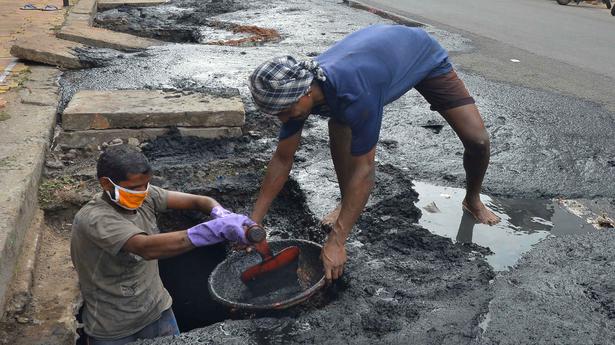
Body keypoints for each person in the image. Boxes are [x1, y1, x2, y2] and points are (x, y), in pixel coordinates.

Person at [247, 24, 501, 281]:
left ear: (306, 90)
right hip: (374, 62)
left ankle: (472, 199)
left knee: (477, 141)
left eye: (286, 111)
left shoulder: (355, 92)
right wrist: (254, 221)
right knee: (340, 119)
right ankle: (346, 202)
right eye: (277, 112)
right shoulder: (295, 95)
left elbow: (365, 171)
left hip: (420, 54)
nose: (283, 118)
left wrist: (337, 241)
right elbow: (282, 159)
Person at [71, 145, 256, 345]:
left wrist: (221, 214)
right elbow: (145, 248)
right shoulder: (95, 219)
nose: (142, 193)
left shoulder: (145, 196)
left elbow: (199, 201)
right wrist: (212, 231)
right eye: (133, 188)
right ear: (106, 184)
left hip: (159, 311)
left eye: (146, 184)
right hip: (115, 327)